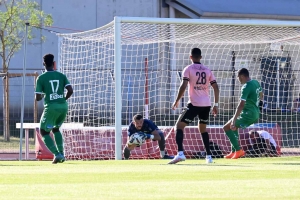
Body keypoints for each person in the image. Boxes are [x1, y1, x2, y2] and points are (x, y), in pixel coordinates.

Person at [168, 47, 219, 164]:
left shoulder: (188, 69)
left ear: (190, 57)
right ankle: (209, 157)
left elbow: (184, 85)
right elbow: (216, 87)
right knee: (203, 129)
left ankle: (180, 153)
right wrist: (216, 104)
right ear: (200, 57)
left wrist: (176, 100)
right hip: (206, 104)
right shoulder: (207, 70)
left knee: (179, 126)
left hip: (194, 104)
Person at [35, 54, 73, 164]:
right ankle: (62, 153)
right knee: (56, 129)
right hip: (63, 106)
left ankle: (57, 154)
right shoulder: (61, 75)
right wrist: (63, 99)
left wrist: (43, 95)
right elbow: (70, 90)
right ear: (54, 63)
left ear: (44, 64)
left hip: (51, 107)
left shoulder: (41, 78)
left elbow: (37, 97)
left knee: (43, 131)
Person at [223, 68, 263, 159]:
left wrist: (233, 120)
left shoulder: (246, 87)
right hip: (255, 112)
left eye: (238, 77)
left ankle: (238, 150)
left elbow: (241, 105)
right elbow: (261, 95)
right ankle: (234, 152)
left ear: (242, 76)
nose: (238, 80)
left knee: (226, 127)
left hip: (248, 114)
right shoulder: (256, 82)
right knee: (233, 127)